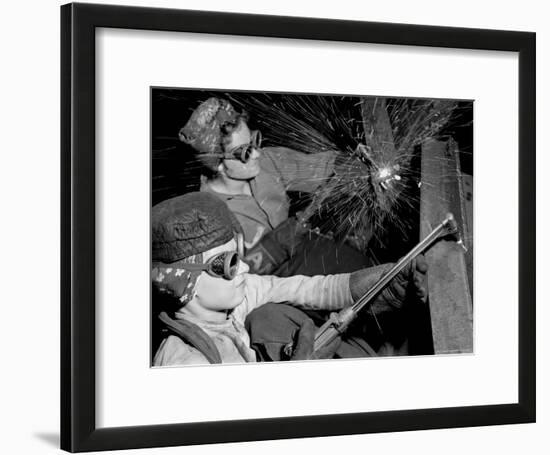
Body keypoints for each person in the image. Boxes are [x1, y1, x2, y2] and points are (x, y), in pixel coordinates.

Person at [151, 192, 428, 366]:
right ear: (182, 283)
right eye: (229, 263)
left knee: (269, 317)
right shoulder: (186, 363)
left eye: (239, 255)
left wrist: (387, 281)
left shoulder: (233, 305)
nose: (245, 268)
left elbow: (306, 289)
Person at [178, 97, 370, 277]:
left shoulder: (267, 163)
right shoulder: (207, 216)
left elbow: (318, 168)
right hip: (263, 296)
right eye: (244, 152)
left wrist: (348, 162)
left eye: (254, 141)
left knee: (359, 266)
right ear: (218, 164)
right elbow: (229, 285)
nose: (256, 155)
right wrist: (272, 248)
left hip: (301, 262)